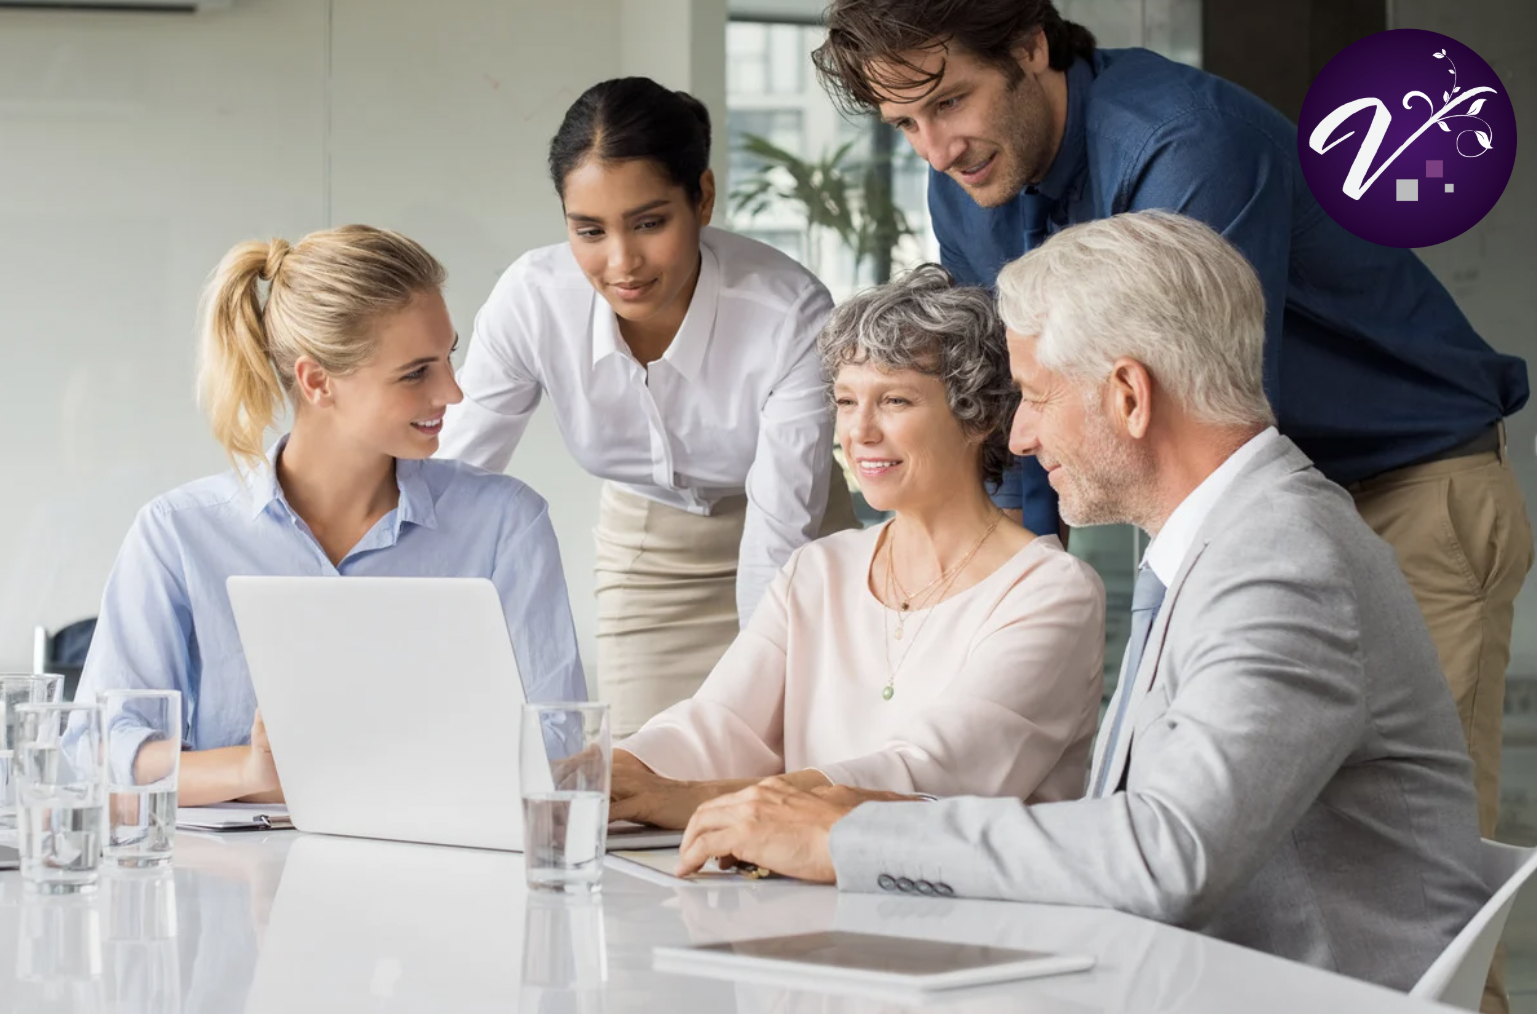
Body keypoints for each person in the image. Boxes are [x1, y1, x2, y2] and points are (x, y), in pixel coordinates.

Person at [812, 0, 1532, 889]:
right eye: (904, 123)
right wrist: (1015, 600)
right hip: (1253, 493)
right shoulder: (967, 184)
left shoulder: (1187, 144)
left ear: (1031, 48)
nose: (937, 148)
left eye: (951, 101)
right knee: (1262, 879)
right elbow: (1020, 401)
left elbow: (1204, 428)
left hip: (1411, 480)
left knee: (1402, 887)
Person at [674, 212, 1487, 995]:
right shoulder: (1233, 540)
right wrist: (855, 810)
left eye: (1032, 394)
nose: (1018, 436)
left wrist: (843, 836)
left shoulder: (1281, 557)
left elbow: (1165, 856)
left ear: (1129, 395)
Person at [75, 225, 587, 806]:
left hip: (438, 876)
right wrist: (251, 771)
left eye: (449, 357)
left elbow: (557, 747)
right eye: (416, 372)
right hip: (237, 883)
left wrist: (342, 767)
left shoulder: (505, 526)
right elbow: (100, 749)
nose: (453, 392)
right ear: (318, 382)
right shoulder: (178, 534)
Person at [609, 265, 1103, 830]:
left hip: (971, 910)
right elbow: (717, 724)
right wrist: (602, 774)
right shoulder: (819, 569)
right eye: (846, 401)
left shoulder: (1050, 589)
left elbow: (936, 772)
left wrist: (710, 801)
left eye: (894, 401)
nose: (859, 431)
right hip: (803, 893)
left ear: (979, 414)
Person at [437, 77, 856, 737]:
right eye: (589, 230)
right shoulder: (534, 301)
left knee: (798, 759)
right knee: (640, 779)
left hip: (798, 542)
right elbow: (453, 484)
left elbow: (779, 538)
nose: (621, 262)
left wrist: (751, 715)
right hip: (651, 556)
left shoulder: (788, 312)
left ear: (703, 198)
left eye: (650, 223)